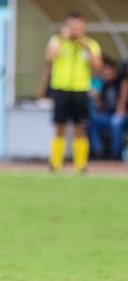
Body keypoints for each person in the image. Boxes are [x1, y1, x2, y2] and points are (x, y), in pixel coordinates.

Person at [38, 12, 102, 172]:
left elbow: (98, 66)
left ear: (83, 28)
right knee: (60, 126)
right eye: (72, 27)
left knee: (81, 127)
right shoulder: (58, 41)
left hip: (80, 89)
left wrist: (87, 48)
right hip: (61, 88)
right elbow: (50, 57)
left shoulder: (90, 44)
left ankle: (81, 165)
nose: (75, 30)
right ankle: (56, 164)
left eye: (78, 27)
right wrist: (62, 39)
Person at [88, 56, 127, 159]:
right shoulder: (105, 84)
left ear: (115, 69)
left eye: (109, 69)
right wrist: (96, 97)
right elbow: (102, 106)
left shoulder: (121, 81)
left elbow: (124, 93)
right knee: (92, 119)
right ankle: (98, 151)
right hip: (109, 115)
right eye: (105, 70)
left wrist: (121, 106)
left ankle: (116, 155)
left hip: (123, 116)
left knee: (116, 121)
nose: (106, 72)